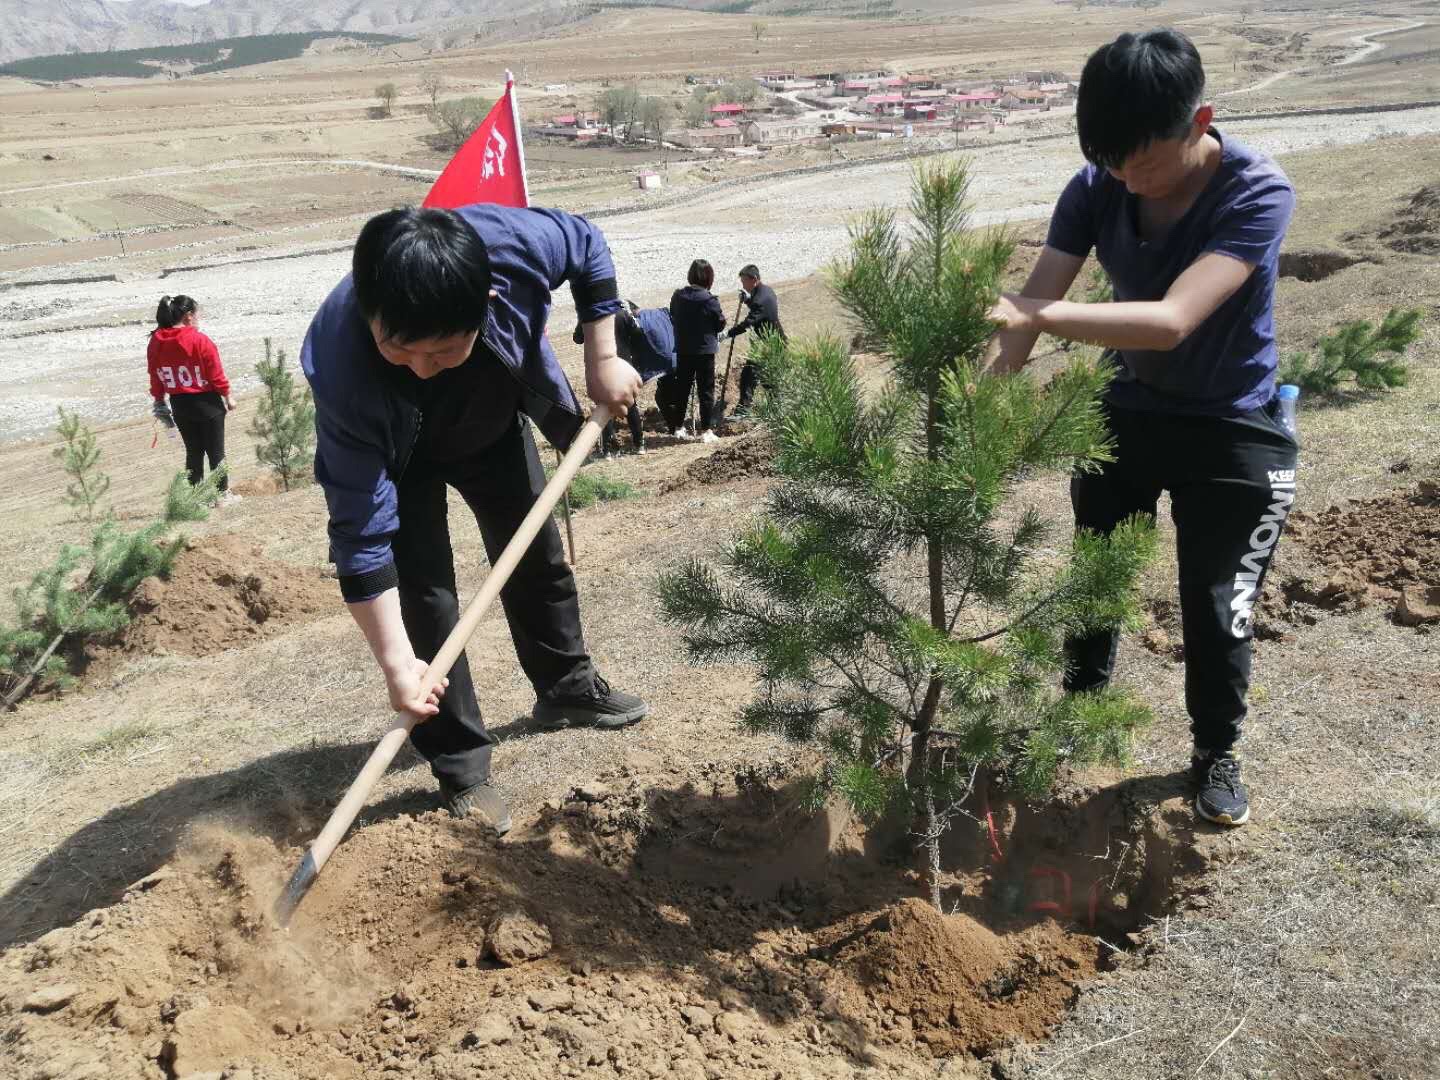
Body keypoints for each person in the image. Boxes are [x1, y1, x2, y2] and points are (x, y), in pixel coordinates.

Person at [987, 29, 1297, 828]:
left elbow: (1169, 321)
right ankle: (1078, 715)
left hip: (1232, 421)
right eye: (1112, 160)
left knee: (1216, 598)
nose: (1129, 179)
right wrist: (975, 401)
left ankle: (1214, 752)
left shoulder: (1256, 192)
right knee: (1095, 575)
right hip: (1130, 412)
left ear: (1200, 122)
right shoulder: (1096, 185)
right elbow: (1026, 312)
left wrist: (1037, 314)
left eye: (1146, 162)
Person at [300, 204, 659, 835]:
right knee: (428, 599)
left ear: (486, 302)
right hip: (397, 457)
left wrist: (601, 355)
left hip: (490, 416)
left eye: (441, 350)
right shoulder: (342, 366)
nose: (418, 365)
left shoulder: (509, 246)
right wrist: (395, 665)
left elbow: (585, 242)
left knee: (534, 554)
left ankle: (566, 687)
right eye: (398, 347)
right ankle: (462, 765)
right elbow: (360, 535)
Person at [147, 294, 238, 503]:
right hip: (207, 403)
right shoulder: (199, 340)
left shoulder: (156, 342)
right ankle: (222, 495)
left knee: (193, 452)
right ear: (188, 316)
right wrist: (228, 396)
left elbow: (155, 374)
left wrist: (159, 399)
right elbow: (215, 374)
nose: (198, 318)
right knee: (216, 452)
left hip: (179, 405)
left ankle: (195, 498)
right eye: (197, 314)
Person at [573, 301, 675, 457]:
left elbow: (578, 338)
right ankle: (639, 444)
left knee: (604, 405)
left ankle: (608, 450)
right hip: (623, 364)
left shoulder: (589, 314)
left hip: (600, 365)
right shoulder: (621, 313)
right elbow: (638, 332)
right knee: (630, 403)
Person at [666, 258, 727, 442]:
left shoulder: (678, 296)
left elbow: (673, 316)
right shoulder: (710, 300)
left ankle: (678, 427)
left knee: (682, 389)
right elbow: (719, 324)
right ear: (709, 277)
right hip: (704, 351)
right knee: (706, 391)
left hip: (683, 349)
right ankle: (706, 430)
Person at [726, 263, 786, 414]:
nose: (743, 285)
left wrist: (728, 333)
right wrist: (747, 300)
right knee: (765, 379)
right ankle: (775, 410)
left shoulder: (761, 299)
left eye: (744, 281)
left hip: (770, 344)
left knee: (750, 376)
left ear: (754, 279)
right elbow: (757, 306)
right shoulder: (766, 290)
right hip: (772, 341)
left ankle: (743, 411)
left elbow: (748, 323)